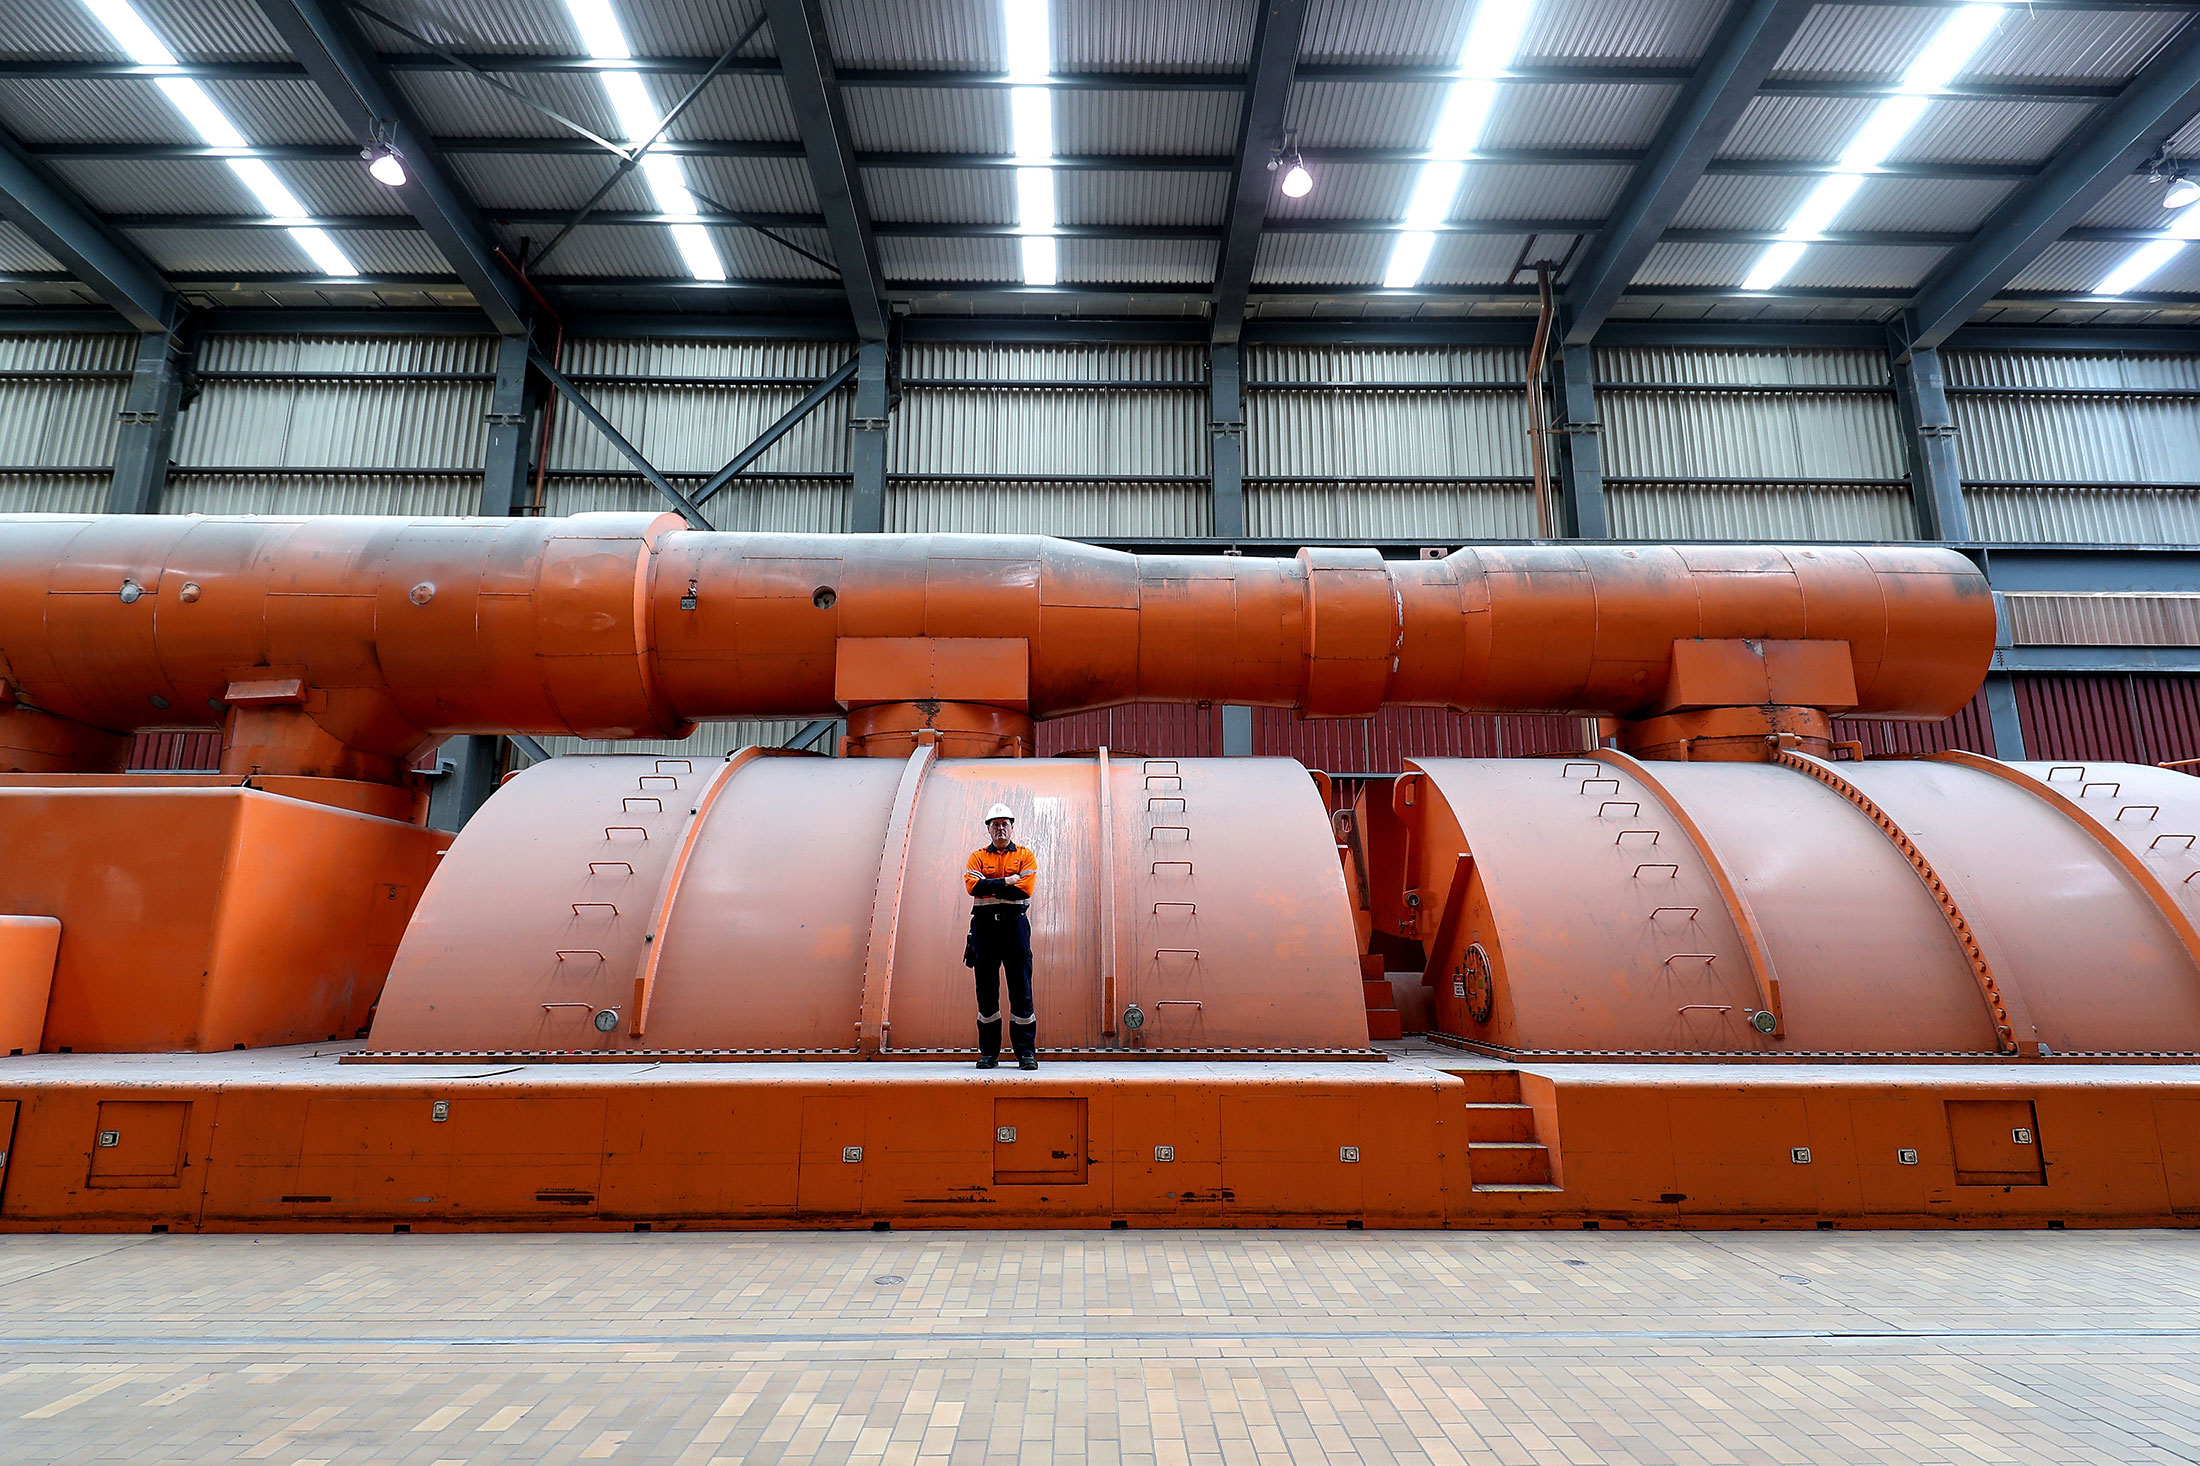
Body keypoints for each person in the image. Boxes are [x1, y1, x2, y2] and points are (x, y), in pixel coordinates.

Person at [963, 803, 1038, 1070]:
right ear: (988, 829)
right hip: (984, 930)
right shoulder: (977, 857)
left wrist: (991, 886)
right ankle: (989, 1053)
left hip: (1015, 928)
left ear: (1012, 826)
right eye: (995, 825)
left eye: (1005, 823)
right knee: (986, 990)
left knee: (1021, 989)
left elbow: (1024, 890)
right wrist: (1007, 881)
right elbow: (974, 887)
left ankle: (1025, 1053)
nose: (1000, 828)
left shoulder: (1026, 856)